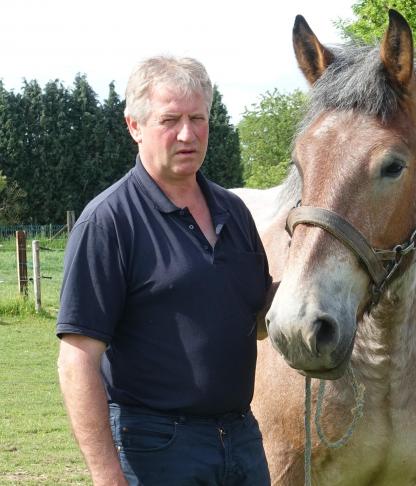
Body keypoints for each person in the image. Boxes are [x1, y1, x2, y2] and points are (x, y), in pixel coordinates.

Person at [56, 56, 271, 485]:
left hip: (242, 439)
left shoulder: (234, 212)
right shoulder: (109, 222)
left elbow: (259, 321)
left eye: (198, 118)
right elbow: (77, 359)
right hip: (155, 446)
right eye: (169, 120)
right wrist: (106, 474)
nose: (187, 134)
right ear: (134, 126)